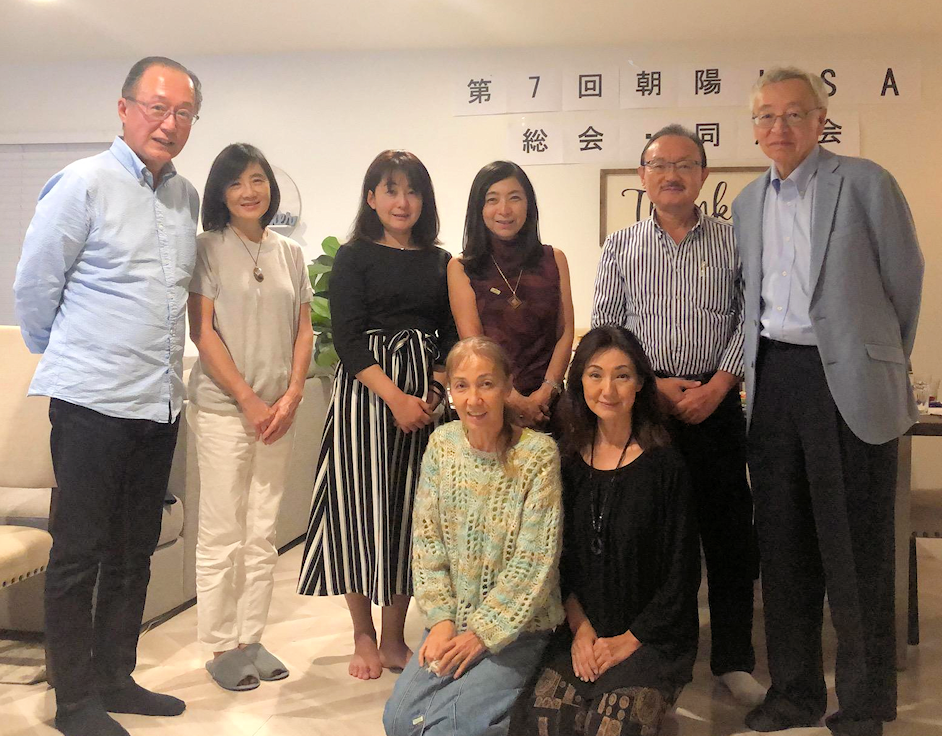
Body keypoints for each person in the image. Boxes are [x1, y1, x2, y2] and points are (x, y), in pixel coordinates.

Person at [12, 57, 201, 736]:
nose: (169, 123)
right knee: (78, 553)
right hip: (91, 402)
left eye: (183, 113)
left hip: (158, 402)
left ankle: (116, 676)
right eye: (157, 107)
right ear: (124, 110)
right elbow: (35, 289)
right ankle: (73, 701)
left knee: (133, 549)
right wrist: (76, 358)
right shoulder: (82, 183)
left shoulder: (186, 197)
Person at [732, 67, 924, 736]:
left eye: (794, 114)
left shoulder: (865, 183)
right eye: (765, 116)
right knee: (783, 548)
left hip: (847, 382)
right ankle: (795, 693)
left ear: (820, 121)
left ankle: (865, 703)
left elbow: (905, 282)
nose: (778, 127)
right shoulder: (747, 203)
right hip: (774, 379)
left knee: (858, 550)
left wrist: (873, 360)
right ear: (754, 129)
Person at [592, 124, 764, 706]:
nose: (671, 174)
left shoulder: (734, 241)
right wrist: (652, 386)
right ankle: (660, 655)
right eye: (659, 164)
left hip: (717, 405)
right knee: (656, 539)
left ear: (703, 174)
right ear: (642, 175)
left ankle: (733, 659)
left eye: (684, 164)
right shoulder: (620, 246)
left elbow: (751, 318)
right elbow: (608, 331)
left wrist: (720, 384)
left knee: (729, 535)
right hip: (648, 412)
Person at [297, 150, 457, 680]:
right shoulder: (353, 256)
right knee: (358, 511)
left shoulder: (440, 261)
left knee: (411, 514)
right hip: (367, 397)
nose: (402, 201)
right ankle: (363, 635)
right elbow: (346, 337)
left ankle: (393, 637)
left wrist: (432, 394)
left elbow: (450, 334)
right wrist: (395, 398)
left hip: (425, 397)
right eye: (390, 189)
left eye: (412, 191)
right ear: (371, 197)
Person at [513, 325, 700, 736]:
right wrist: (581, 631)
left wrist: (628, 640)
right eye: (595, 375)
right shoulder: (565, 462)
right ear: (579, 382)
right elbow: (556, 563)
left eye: (622, 375)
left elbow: (682, 575)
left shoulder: (666, 466)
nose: (608, 390)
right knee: (545, 721)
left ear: (640, 384)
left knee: (609, 726)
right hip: (582, 629)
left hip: (652, 636)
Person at [383, 336, 564, 736]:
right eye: (461, 386)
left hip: (518, 630)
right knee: (398, 722)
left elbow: (534, 563)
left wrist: (482, 633)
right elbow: (427, 544)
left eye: (486, 384)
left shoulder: (537, 455)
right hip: (452, 624)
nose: (474, 399)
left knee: (450, 726)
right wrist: (441, 620)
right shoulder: (442, 446)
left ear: (507, 387)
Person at [187, 143, 313, 690]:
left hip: (278, 412)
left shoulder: (289, 252)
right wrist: (248, 399)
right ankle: (219, 645)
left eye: (257, 179)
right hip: (224, 409)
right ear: (221, 192)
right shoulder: (207, 248)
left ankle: (250, 638)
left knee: (263, 532)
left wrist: (292, 394)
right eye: (236, 182)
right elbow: (202, 331)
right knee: (222, 531)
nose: (248, 191)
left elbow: (304, 329)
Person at [448, 161, 574, 429]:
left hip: (551, 406)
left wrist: (547, 391)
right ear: (478, 208)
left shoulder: (555, 259)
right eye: (492, 199)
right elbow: (476, 346)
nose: (504, 210)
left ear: (529, 205)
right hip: (491, 405)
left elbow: (565, 332)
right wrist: (513, 400)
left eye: (514, 198)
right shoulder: (461, 267)